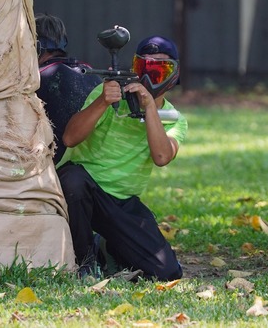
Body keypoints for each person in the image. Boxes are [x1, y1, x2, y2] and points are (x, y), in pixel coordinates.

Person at [58, 34, 187, 281]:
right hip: (87, 191)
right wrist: (102, 102)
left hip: (123, 204)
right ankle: (85, 262)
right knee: (73, 179)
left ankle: (107, 250)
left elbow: (161, 156)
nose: (150, 78)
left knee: (167, 272)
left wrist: (150, 107)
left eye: (159, 70)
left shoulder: (173, 119)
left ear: (173, 76)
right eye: (144, 68)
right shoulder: (107, 96)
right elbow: (70, 138)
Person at [35, 13, 102, 167]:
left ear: (35, 45)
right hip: (90, 166)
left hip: (53, 166)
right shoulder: (91, 72)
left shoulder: (37, 79)